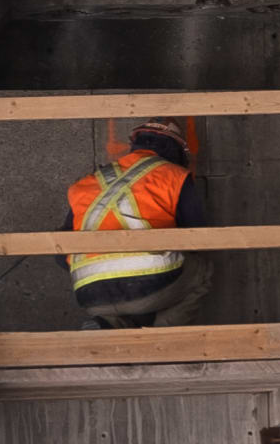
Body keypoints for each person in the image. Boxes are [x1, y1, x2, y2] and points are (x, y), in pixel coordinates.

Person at [65, 122, 213, 329]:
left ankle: (107, 325)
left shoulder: (85, 185)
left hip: (90, 293)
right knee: (202, 269)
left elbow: (61, 254)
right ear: (176, 150)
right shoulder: (174, 175)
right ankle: (163, 338)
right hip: (150, 288)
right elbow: (199, 239)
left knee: (128, 298)